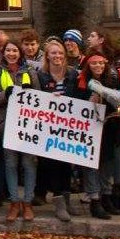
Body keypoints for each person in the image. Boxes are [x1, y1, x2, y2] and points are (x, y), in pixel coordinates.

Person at [76, 53, 120, 219]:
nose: (98, 66)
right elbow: (74, 103)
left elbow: (118, 101)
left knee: (107, 163)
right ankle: (94, 199)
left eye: (101, 63)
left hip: (109, 128)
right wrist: (90, 100)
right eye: (94, 63)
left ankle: (106, 196)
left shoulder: (112, 81)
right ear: (88, 66)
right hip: (89, 130)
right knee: (91, 165)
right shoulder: (80, 82)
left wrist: (117, 111)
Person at [36, 41, 80, 222]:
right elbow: (35, 98)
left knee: (66, 165)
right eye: (53, 53)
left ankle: (67, 200)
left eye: (60, 53)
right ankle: (59, 203)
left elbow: (79, 96)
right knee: (53, 165)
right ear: (47, 55)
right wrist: (48, 99)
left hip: (69, 127)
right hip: (48, 128)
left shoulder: (73, 74)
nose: (57, 56)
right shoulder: (40, 75)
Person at [0, 42, 34, 219]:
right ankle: (14, 203)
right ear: (3, 53)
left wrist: (32, 93)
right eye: (8, 50)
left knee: (29, 164)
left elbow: (42, 97)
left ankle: (28, 202)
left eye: (15, 50)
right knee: (10, 164)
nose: (11, 53)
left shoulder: (30, 72)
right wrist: (5, 94)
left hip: (28, 126)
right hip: (7, 125)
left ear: (20, 53)